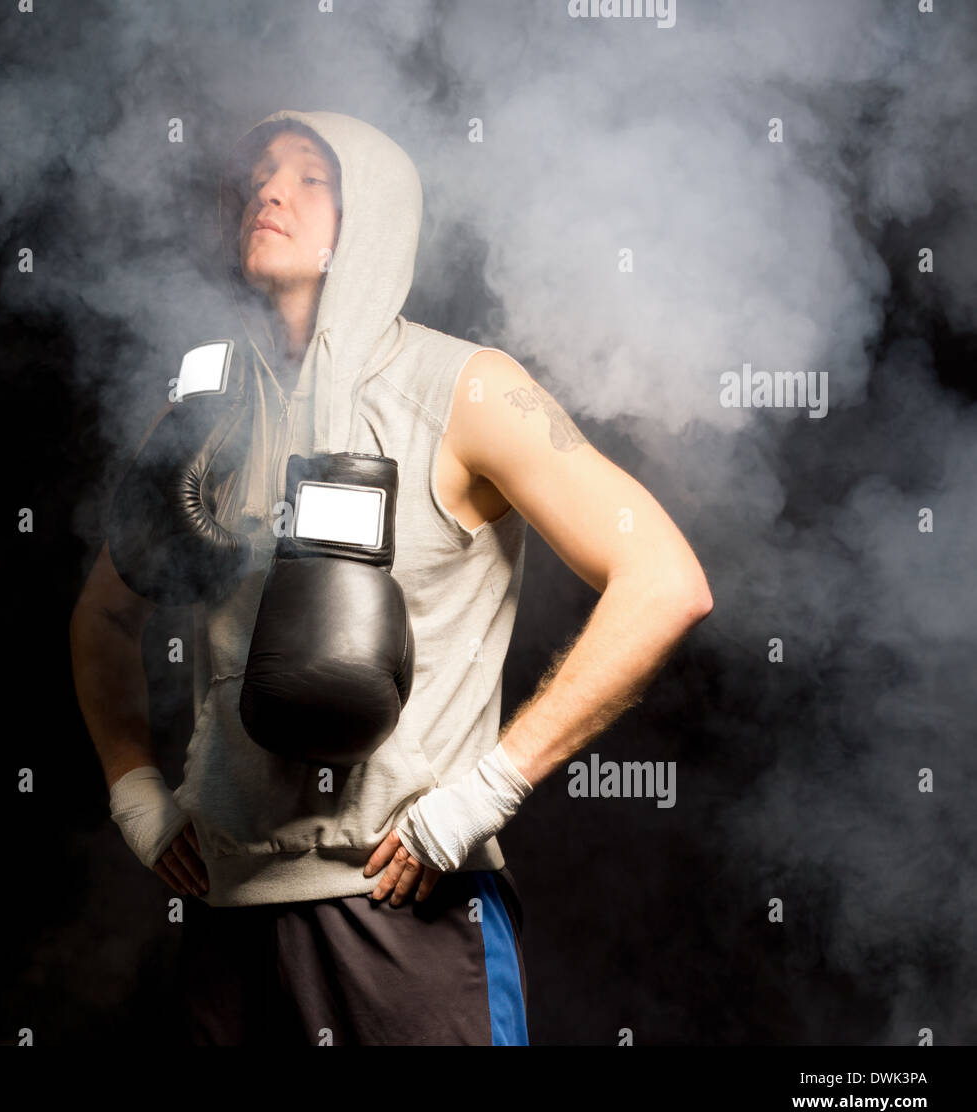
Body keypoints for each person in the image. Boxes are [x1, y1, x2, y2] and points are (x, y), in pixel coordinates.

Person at [69, 110, 713, 1045]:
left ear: (373, 213)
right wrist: (136, 793)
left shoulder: (468, 389)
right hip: (225, 915)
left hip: (408, 911)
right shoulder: (201, 410)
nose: (267, 190)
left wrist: (486, 794)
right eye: (257, 174)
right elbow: (104, 615)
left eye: (308, 177)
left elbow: (664, 580)